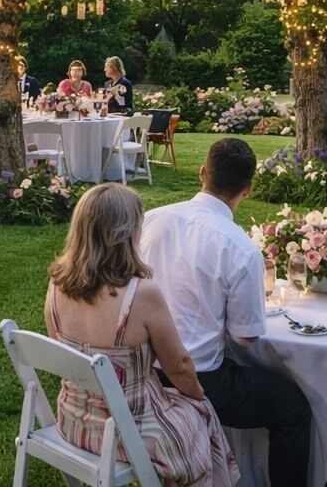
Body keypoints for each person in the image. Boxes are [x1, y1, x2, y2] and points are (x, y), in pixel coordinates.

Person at [141, 138, 312, 485]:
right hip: (197, 382)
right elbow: (245, 338)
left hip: (143, 371)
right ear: (248, 189)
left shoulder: (150, 219)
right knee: (293, 408)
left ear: (203, 173)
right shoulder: (239, 247)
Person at [46, 183, 238, 487]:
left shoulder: (57, 283)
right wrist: (198, 397)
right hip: (128, 430)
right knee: (203, 415)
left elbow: (61, 346)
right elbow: (179, 367)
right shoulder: (140, 294)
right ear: (126, 233)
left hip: (74, 420)